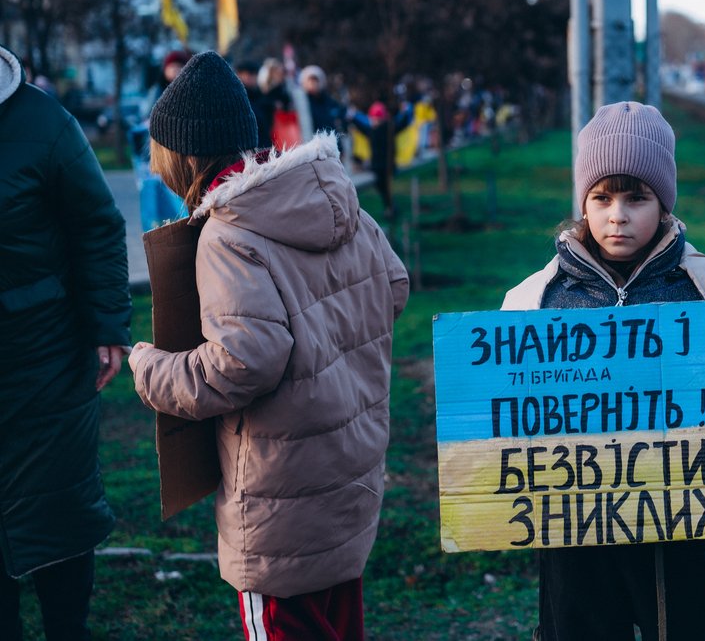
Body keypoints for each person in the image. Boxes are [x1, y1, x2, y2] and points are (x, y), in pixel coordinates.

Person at [126, 51, 410, 640]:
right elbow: (395, 285)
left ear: (183, 157)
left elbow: (242, 361)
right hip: (347, 470)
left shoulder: (230, 234)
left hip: (280, 501)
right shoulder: (332, 195)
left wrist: (150, 367)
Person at [502, 100, 705, 640]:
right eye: (602, 197)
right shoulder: (534, 301)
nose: (618, 215)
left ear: (664, 202)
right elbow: (500, 422)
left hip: (673, 531)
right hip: (572, 534)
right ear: (583, 202)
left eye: (637, 197)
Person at [0, 43, 131, 640]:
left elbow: (98, 226)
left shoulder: (45, 122)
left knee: (59, 511)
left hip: (46, 356)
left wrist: (107, 325)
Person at [132, 49, 191, 230]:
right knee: (160, 201)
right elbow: (144, 121)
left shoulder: (190, 92)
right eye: (172, 67)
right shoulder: (156, 92)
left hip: (184, 152)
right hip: (161, 151)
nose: (175, 71)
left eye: (180, 67)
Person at [299, 64, 345, 136]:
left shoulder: (329, 102)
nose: (313, 83)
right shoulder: (300, 103)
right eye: (310, 80)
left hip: (330, 141)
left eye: (315, 80)